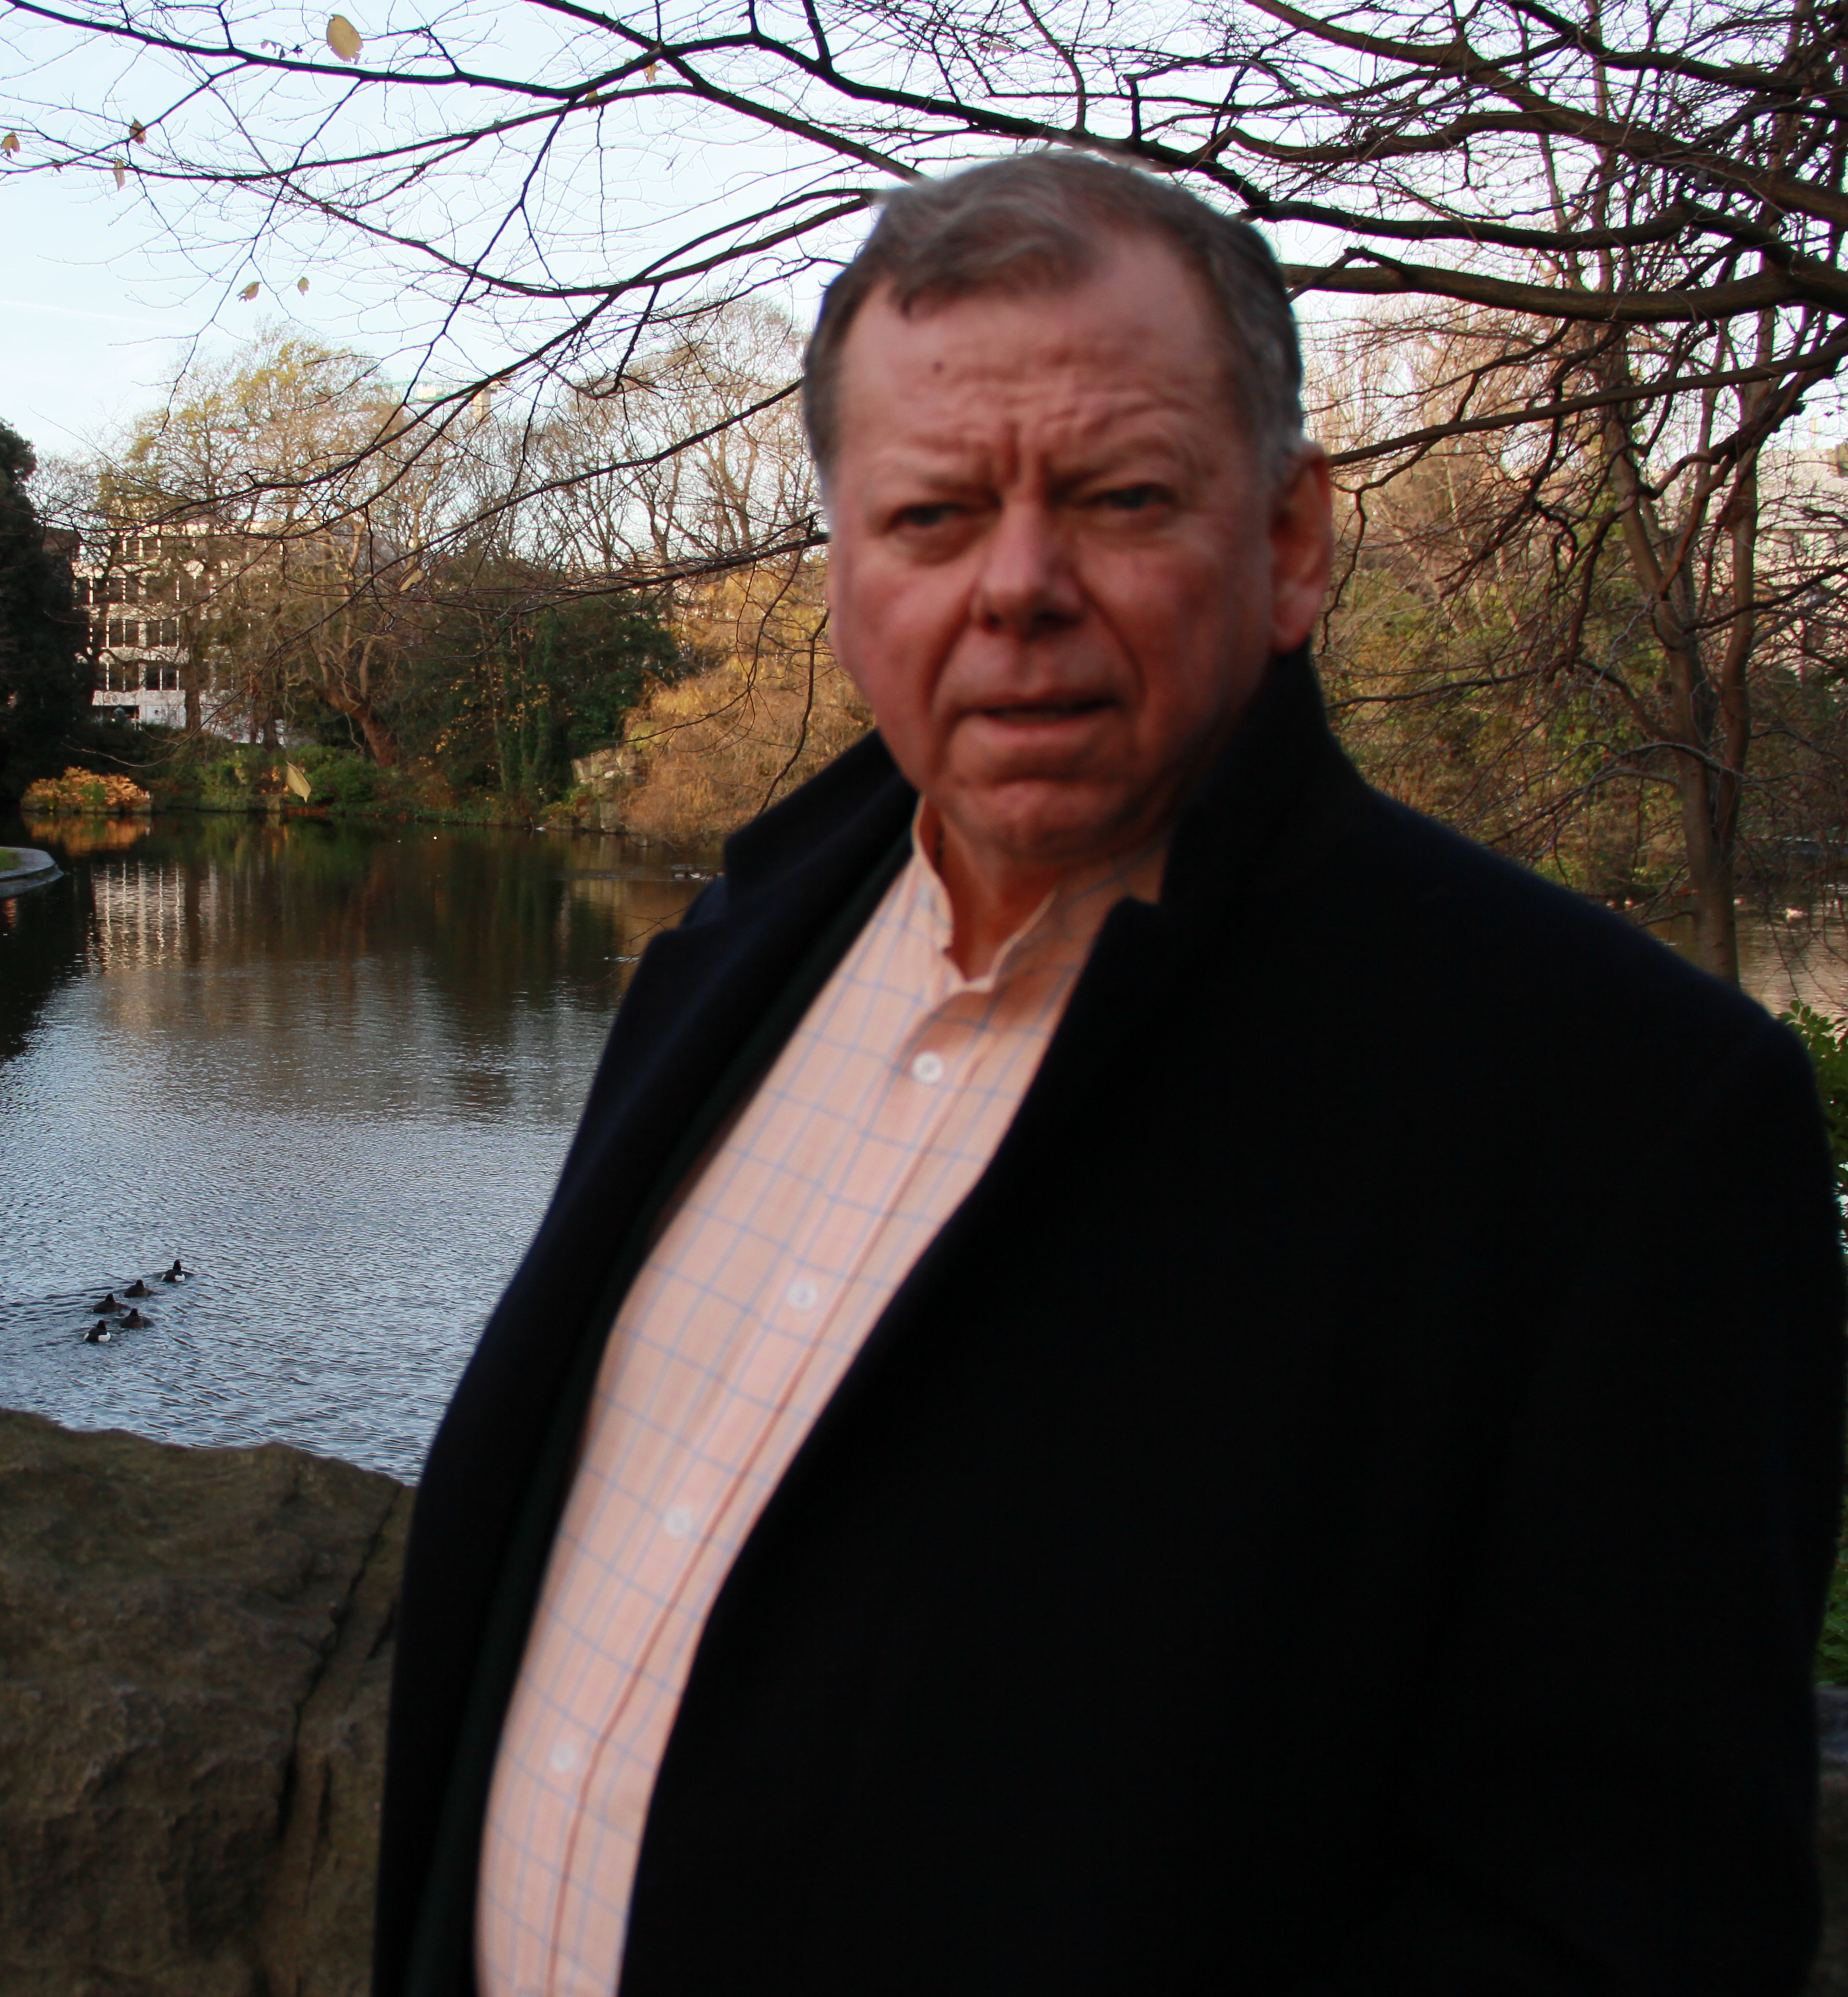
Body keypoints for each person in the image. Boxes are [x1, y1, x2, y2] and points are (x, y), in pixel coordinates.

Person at [374, 149, 1847, 1997]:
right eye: (928, 518)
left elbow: (1615, 1930)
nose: (1016, 588)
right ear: (843, 563)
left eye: (1120, 495)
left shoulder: (1619, 1121)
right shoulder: (729, 958)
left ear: (1292, 542)